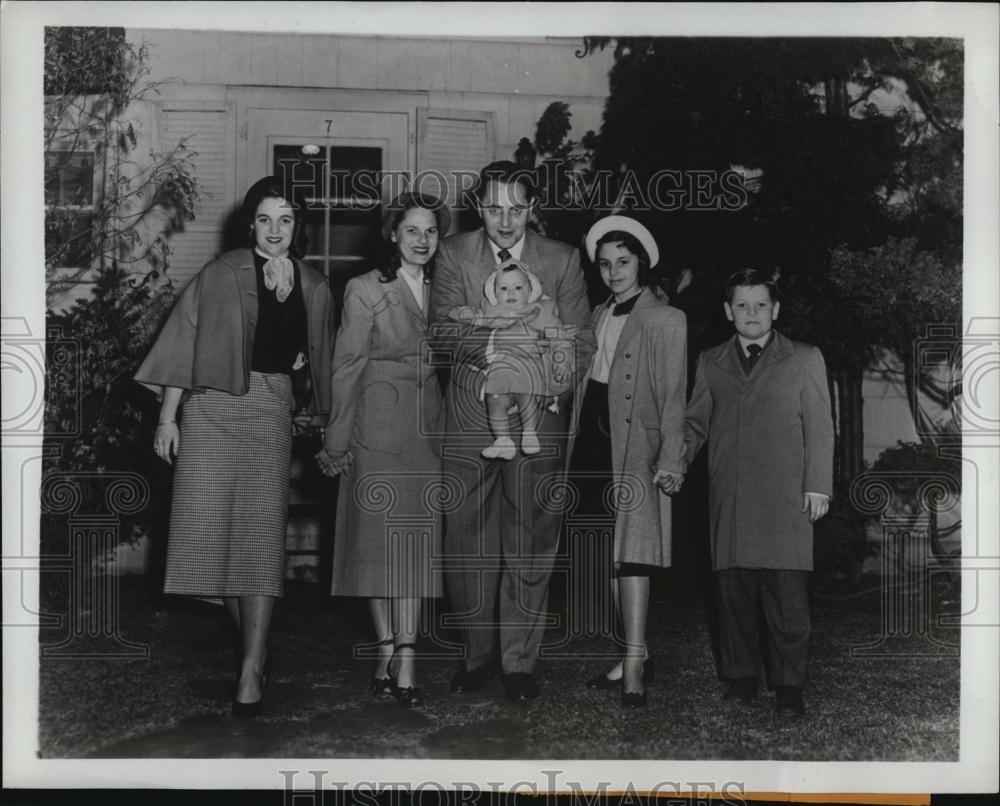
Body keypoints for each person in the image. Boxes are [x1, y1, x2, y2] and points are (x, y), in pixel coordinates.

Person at [134, 174, 335, 718]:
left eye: (287, 219)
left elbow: (319, 362)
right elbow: (183, 344)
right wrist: (167, 418)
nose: (275, 230)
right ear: (251, 223)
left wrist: (312, 397)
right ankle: (258, 643)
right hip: (210, 409)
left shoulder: (314, 286)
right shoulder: (219, 273)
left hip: (270, 410)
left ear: (300, 226)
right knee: (203, 541)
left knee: (260, 540)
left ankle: (249, 668)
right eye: (265, 219)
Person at [429, 160, 595, 702]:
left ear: (532, 208)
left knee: (531, 537)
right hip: (471, 408)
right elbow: (444, 335)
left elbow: (579, 342)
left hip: (540, 412)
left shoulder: (563, 259)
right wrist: (506, 349)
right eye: (495, 209)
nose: (506, 221)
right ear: (479, 208)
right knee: (467, 538)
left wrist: (550, 383)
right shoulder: (453, 253)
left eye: (517, 209)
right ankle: (477, 656)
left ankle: (519, 661)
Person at [315, 192, 448, 708]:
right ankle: (385, 646)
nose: (422, 240)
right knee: (375, 546)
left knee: (413, 545)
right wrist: (337, 440)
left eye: (431, 232)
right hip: (374, 426)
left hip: (427, 430)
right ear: (393, 234)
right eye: (412, 230)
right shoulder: (364, 288)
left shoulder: (447, 290)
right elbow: (346, 365)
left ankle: (408, 653)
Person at [684, 268, 834, 719]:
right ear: (729, 311)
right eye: (743, 305)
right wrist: (675, 461)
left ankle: (789, 684)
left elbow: (821, 428)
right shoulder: (711, 361)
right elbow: (695, 423)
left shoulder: (804, 358)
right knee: (734, 593)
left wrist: (818, 485)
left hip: (786, 494)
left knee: (787, 597)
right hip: (730, 495)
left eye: (761, 305)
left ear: (776, 310)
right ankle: (741, 677)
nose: (752, 313)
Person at [569, 216, 687, 708]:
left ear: (641, 261)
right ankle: (633, 649)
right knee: (607, 554)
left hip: (637, 446)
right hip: (593, 442)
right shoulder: (596, 313)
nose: (614, 271)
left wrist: (671, 457)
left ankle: (635, 660)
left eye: (623, 261)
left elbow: (674, 393)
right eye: (605, 263)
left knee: (634, 551)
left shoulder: (665, 317)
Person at [447, 258, 575, 460]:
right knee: (494, 400)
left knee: (527, 396)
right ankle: (503, 440)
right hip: (500, 368)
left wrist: (562, 362)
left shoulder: (540, 311)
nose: (511, 293)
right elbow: (475, 318)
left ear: (530, 290)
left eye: (518, 287)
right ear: (494, 294)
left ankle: (530, 434)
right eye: (504, 288)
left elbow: (560, 337)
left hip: (529, 365)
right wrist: (463, 313)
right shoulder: (490, 311)